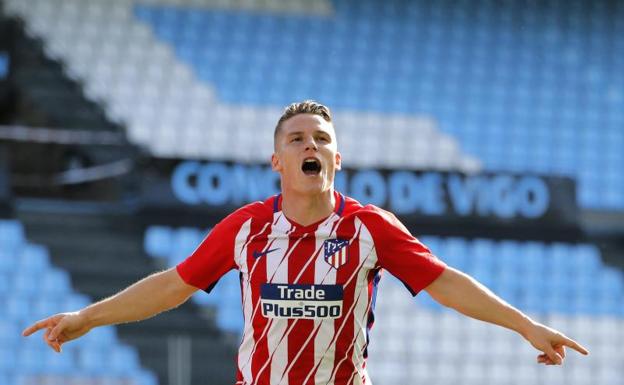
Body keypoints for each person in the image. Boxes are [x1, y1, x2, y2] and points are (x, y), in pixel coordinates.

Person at [24, 101, 589, 384]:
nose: (309, 144)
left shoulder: (370, 227)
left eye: (321, 138)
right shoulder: (245, 227)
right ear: (278, 161)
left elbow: (445, 283)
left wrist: (525, 325)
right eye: (296, 139)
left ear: (336, 159)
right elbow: (174, 285)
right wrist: (88, 318)